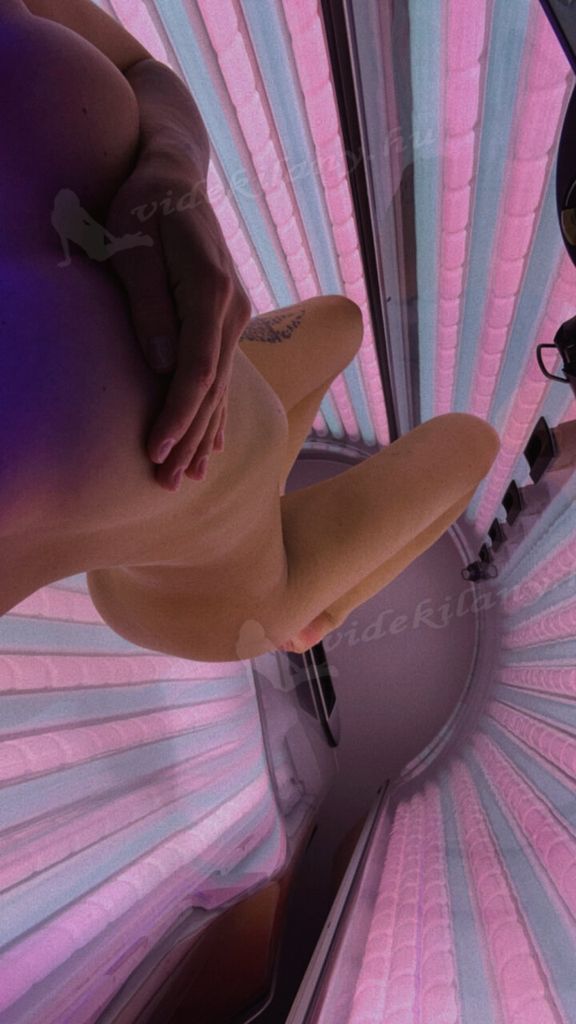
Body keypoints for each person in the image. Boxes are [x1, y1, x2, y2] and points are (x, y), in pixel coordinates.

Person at [0, 0, 501, 662]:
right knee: (473, 441)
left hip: (228, 418)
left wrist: (173, 171)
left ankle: (264, 486)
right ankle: (314, 620)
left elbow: (142, 69)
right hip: (212, 597)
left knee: (342, 322)